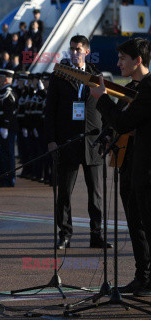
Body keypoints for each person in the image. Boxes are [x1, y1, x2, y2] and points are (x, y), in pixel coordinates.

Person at [90, 38, 151, 296]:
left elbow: (126, 123)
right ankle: (143, 276)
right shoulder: (130, 88)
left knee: (147, 223)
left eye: (123, 58)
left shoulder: (148, 87)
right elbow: (118, 124)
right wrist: (106, 137)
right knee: (135, 224)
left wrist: (101, 99)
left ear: (138, 60)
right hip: (128, 163)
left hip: (145, 166)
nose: (118, 63)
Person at [45, 35, 111, 250]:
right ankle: (65, 234)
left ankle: (96, 235)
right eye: (71, 49)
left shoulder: (98, 76)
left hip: (93, 142)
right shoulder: (59, 76)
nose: (74, 53)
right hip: (67, 142)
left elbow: (106, 109)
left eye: (78, 49)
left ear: (87, 52)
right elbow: (50, 112)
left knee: (96, 194)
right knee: (64, 192)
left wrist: (107, 136)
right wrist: (52, 140)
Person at [0, 69, 18, 187]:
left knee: (7, 154)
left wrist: (5, 126)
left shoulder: (8, 93)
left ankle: (8, 179)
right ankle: (1, 177)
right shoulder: (1, 92)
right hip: (0, 128)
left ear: (6, 80)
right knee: (0, 154)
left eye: (0, 78)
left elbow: (9, 111)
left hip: (7, 129)